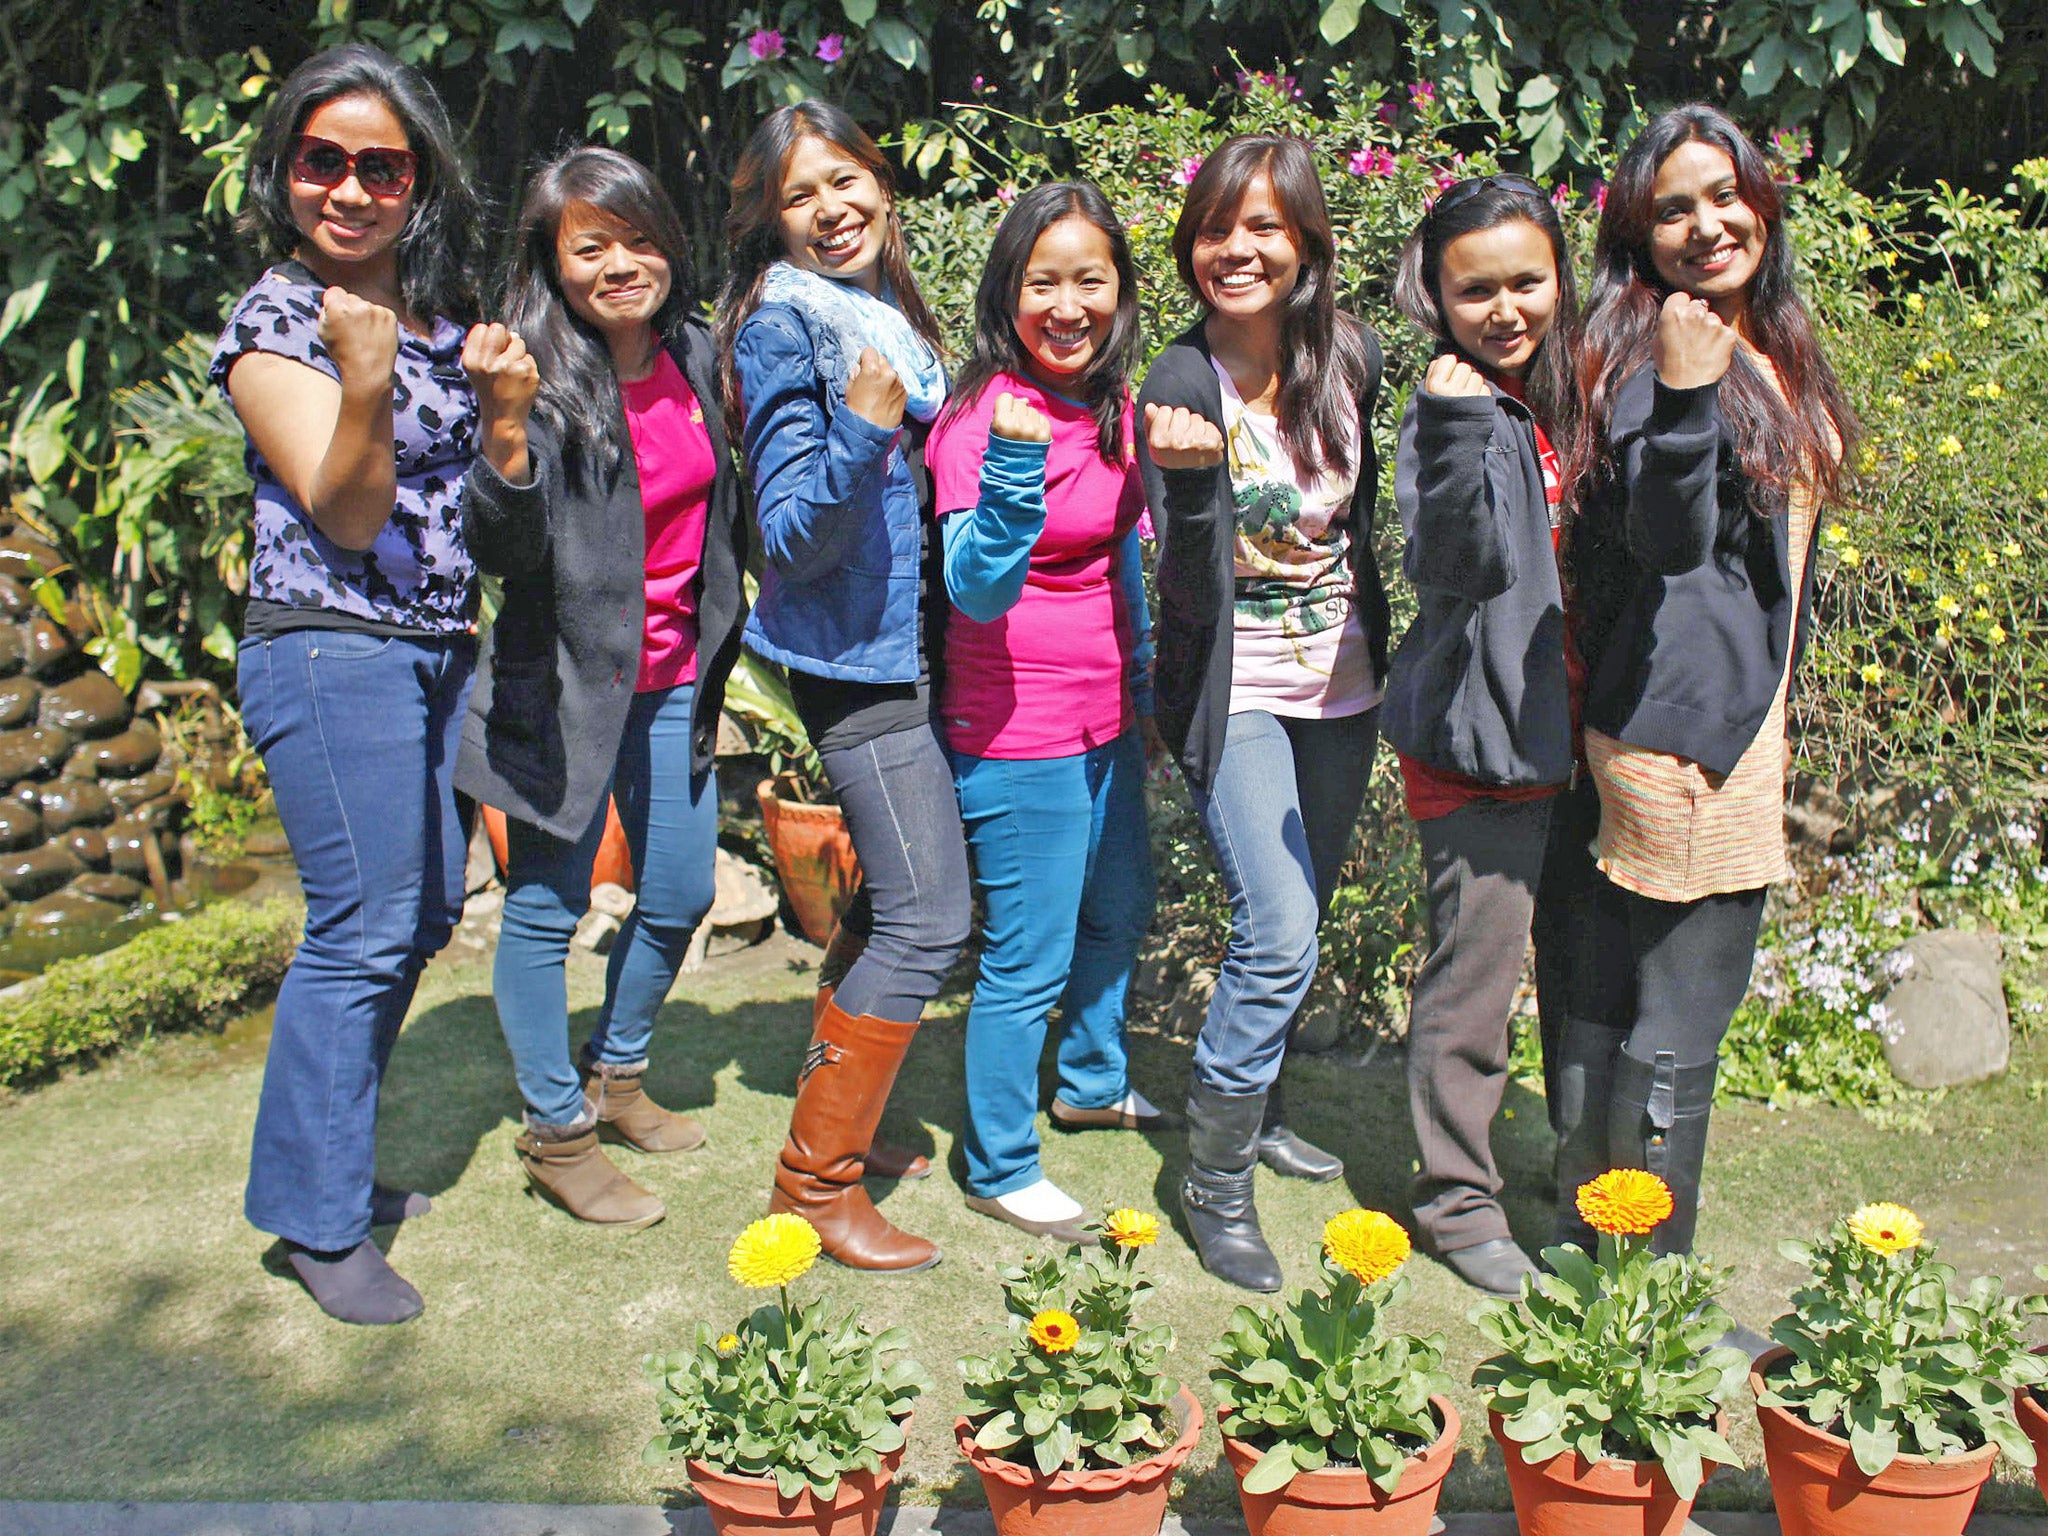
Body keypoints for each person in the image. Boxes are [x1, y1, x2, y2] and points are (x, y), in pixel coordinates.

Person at [211, 42, 485, 1325]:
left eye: (383, 166)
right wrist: (365, 377)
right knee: (363, 924)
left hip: (435, 650)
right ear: (287, 171)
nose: (353, 189)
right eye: (326, 160)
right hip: (329, 643)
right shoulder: (276, 317)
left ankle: (335, 1169)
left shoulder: (431, 314)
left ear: (417, 184)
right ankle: (316, 1225)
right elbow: (349, 505)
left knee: (420, 914)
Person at [1555, 104, 1858, 1258]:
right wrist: (1684, 396)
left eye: (1723, 195)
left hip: (1711, 711)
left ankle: (1589, 1223)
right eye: (1671, 208)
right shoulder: (1658, 352)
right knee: (1684, 1008)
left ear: (1762, 203)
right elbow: (1665, 536)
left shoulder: (1767, 338)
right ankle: (1647, 1276)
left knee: (1622, 982)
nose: (1705, 224)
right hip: (1686, 732)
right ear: (1638, 232)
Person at [455, 147, 751, 1230]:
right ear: (552, 263)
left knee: (676, 893)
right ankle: (556, 1134)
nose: (621, 264)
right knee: (543, 911)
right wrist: (502, 425)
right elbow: (498, 547)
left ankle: (614, 1078)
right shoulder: (526, 370)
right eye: (591, 247)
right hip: (565, 689)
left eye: (639, 238)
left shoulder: (696, 352)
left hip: (676, 679)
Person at [716, 100, 968, 1273]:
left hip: (905, 650)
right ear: (770, 221)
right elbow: (788, 531)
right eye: (799, 195)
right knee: (927, 918)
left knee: (890, 907)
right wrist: (864, 432)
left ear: (882, 182)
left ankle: (841, 1139)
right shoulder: (784, 328)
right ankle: (813, 1186)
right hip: (854, 666)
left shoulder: (879, 316)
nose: (832, 209)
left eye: (847, 180)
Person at [1135, 133, 1390, 1292]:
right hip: (1232, 694)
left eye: (1261, 228)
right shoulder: (1177, 387)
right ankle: (1213, 1184)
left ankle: (1268, 1104)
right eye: (1213, 229)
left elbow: (1369, 529)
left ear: (1305, 244)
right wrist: (1189, 486)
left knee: (1306, 913)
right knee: (1276, 928)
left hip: (1341, 690)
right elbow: (1186, 589)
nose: (1233, 250)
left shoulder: (1352, 359)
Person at [926, 182, 1172, 1246]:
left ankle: (1088, 1080)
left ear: (1118, 292)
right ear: (1007, 292)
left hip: (1107, 715)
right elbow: (973, 587)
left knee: (1117, 911)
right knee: (1024, 959)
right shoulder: (982, 417)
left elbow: (1120, 556)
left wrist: (1147, 682)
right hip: (1013, 732)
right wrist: (1018, 466)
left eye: (1089, 280)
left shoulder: (1113, 406)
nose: (1065, 305)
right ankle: (998, 1163)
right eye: (1042, 281)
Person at [1382, 175, 1583, 1297]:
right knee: (1472, 986)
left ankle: (1581, 1179)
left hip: (1576, 735)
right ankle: (1456, 1206)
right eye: (1475, 290)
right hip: (1482, 744)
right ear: (1438, 296)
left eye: (1524, 281)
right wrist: (1457, 426)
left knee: (1583, 978)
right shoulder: (1449, 406)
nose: (1503, 307)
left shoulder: (1574, 391)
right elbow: (1452, 562)